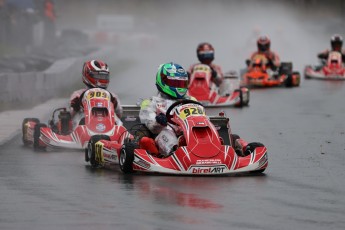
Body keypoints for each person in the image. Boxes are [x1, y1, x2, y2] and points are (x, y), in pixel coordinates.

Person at [139, 62, 195, 158]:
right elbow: (152, 127)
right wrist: (158, 121)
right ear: (163, 81)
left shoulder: (192, 101)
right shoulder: (150, 102)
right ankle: (175, 153)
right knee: (166, 132)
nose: (179, 87)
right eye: (175, 83)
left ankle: (210, 149)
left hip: (188, 133)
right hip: (163, 136)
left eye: (181, 83)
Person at [69, 59, 123, 130]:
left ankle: (120, 134)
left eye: (104, 76)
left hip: (108, 124)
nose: (102, 79)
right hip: (83, 123)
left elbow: (119, 113)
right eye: (98, 76)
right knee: (77, 119)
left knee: (118, 121)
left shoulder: (112, 96)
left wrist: (113, 105)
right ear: (87, 74)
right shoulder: (78, 94)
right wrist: (76, 105)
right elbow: (70, 114)